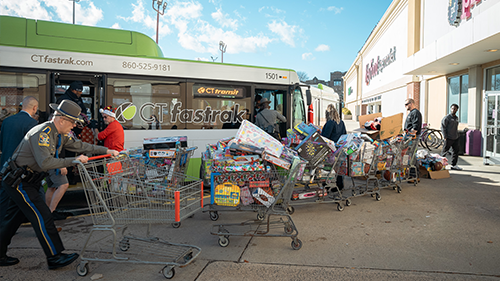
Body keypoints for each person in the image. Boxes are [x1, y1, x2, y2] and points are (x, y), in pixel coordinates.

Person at [0, 100, 119, 269]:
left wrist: (107, 151)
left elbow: (80, 145)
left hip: (26, 180)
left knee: (12, 220)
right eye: (72, 122)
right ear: (62, 119)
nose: (73, 127)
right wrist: (74, 161)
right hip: (20, 182)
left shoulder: (57, 134)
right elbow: (45, 162)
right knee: (43, 216)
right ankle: (54, 257)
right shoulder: (43, 132)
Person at [0, 97, 39, 227]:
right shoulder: (32, 124)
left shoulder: (7, 121)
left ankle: (2, 225)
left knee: (4, 197)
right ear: (34, 108)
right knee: (28, 198)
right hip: (21, 168)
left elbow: (2, 144)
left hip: (5, 164)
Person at [56, 81, 87, 185]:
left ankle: (70, 176)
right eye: (79, 91)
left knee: (72, 152)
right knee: (66, 154)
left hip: (74, 133)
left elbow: (83, 110)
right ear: (73, 90)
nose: (80, 93)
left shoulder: (77, 98)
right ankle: (66, 179)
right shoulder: (64, 99)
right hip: (65, 133)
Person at [321, 104, 347, 191]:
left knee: (327, 168)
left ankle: (325, 185)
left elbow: (326, 136)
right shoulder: (341, 122)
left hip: (330, 149)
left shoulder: (330, 122)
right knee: (338, 168)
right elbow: (345, 135)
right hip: (339, 149)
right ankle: (340, 185)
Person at [403, 98, 422, 182]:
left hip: (413, 138)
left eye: (406, 104)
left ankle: (414, 176)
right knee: (409, 156)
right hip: (408, 137)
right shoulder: (411, 113)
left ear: (411, 103)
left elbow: (415, 127)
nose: (405, 106)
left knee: (412, 156)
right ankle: (411, 174)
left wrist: (410, 136)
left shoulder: (415, 113)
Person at [441, 104, 462, 170]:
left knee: (455, 152)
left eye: (455, 109)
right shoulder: (447, 118)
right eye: (452, 108)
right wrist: (445, 137)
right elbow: (443, 127)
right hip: (448, 138)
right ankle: (440, 164)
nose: (453, 110)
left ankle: (454, 165)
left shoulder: (456, 118)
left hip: (455, 137)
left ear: (457, 110)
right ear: (450, 109)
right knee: (444, 152)